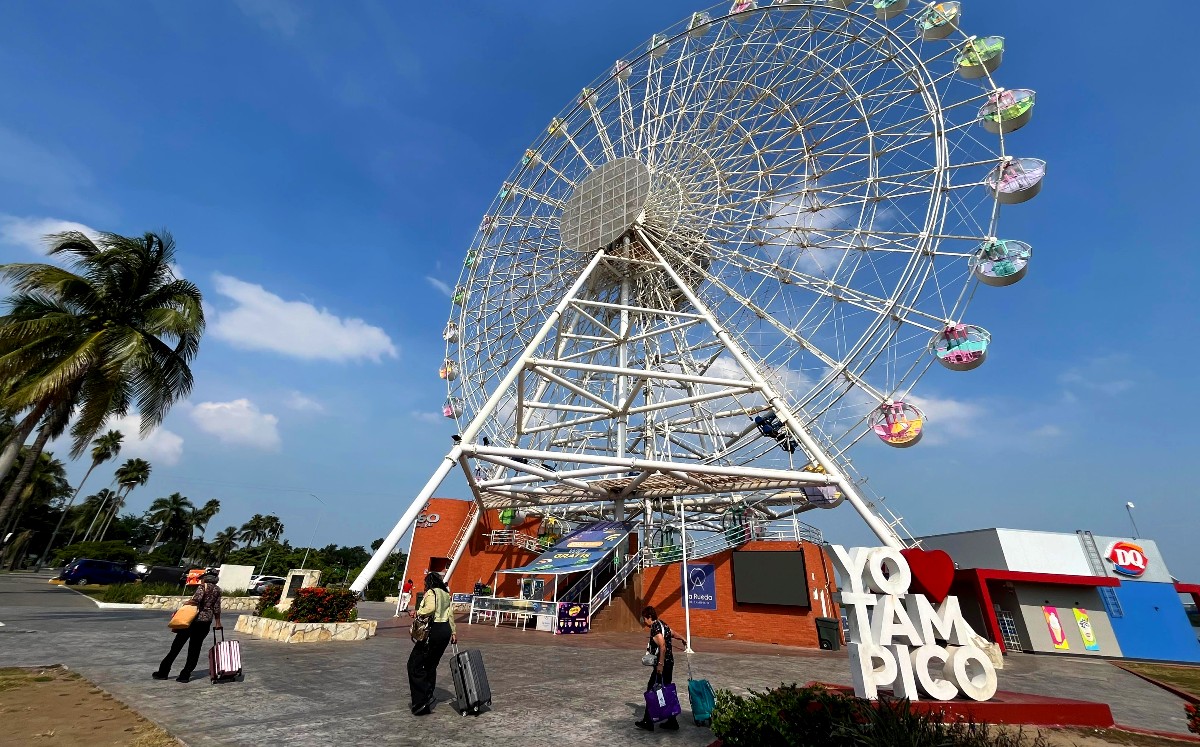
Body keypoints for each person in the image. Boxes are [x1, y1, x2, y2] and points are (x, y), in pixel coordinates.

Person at [153, 569, 222, 683]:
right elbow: (217, 607)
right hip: (205, 623)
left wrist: (185, 604)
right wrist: (218, 622)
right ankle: (185, 675)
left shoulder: (203, 587)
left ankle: (163, 672)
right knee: (195, 648)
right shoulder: (218, 590)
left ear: (206, 578)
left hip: (191, 620)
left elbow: (196, 600)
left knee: (176, 646)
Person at [408, 572, 457, 715]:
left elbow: (430, 608)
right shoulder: (446, 594)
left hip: (433, 631)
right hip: (445, 631)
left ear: (429, 582)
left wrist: (417, 612)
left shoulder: (431, 593)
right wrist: (453, 632)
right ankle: (429, 695)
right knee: (431, 665)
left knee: (414, 665)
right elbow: (450, 614)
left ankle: (420, 702)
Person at [635, 605, 687, 732]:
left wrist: (660, 664)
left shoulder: (655, 628)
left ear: (649, 617)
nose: (644, 621)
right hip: (670, 663)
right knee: (666, 689)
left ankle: (648, 721)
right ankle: (672, 721)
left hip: (663, 664)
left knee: (651, 689)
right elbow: (672, 633)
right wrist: (683, 638)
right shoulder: (662, 624)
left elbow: (662, 646)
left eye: (644, 619)